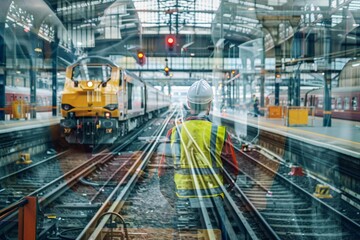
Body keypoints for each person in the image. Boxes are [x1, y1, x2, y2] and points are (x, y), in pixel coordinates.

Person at [158, 79, 239, 208]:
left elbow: (164, 170)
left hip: (183, 194)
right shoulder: (220, 133)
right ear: (210, 105)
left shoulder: (174, 132)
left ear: (189, 104)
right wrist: (224, 191)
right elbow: (232, 170)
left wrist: (172, 198)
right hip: (215, 196)